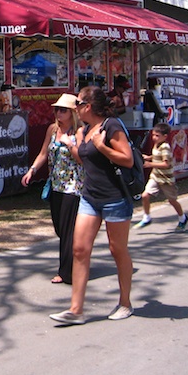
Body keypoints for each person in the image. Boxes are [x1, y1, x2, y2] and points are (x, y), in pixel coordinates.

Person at [49, 86, 134, 325]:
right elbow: (83, 159)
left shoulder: (111, 126)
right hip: (89, 196)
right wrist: (72, 144)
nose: (73, 108)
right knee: (79, 249)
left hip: (114, 198)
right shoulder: (84, 130)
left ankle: (125, 302)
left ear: (88, 107)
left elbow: (127, 159)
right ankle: (76, 310)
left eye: (77, 103)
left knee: (117, 251)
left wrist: (102, 146)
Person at [22, 93, 84, 284]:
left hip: (73, 186)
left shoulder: (79, 131)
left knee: (67, 230)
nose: (58, 113)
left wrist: (69, 144)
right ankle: (75, 263)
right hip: (56, 184)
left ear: (73, 112)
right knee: (59, 227)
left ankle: (66, 272)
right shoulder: (52, 129)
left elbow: (82, 158)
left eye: (63, 110)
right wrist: (32, 170)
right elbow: (43, 153)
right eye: (57, 109)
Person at [135, 122, 188, 231]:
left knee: (172, 200)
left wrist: (150, 164)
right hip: (155, 176)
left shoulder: (165, 147)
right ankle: (146, 217)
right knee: (145, 195)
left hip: (166, 179)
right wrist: (149, 157)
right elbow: (156, 156)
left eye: (157, 136)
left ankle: (182, 217)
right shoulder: (156, 145)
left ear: (165, 136)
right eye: (153, 135)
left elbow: (166, 164)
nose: (154, 138)